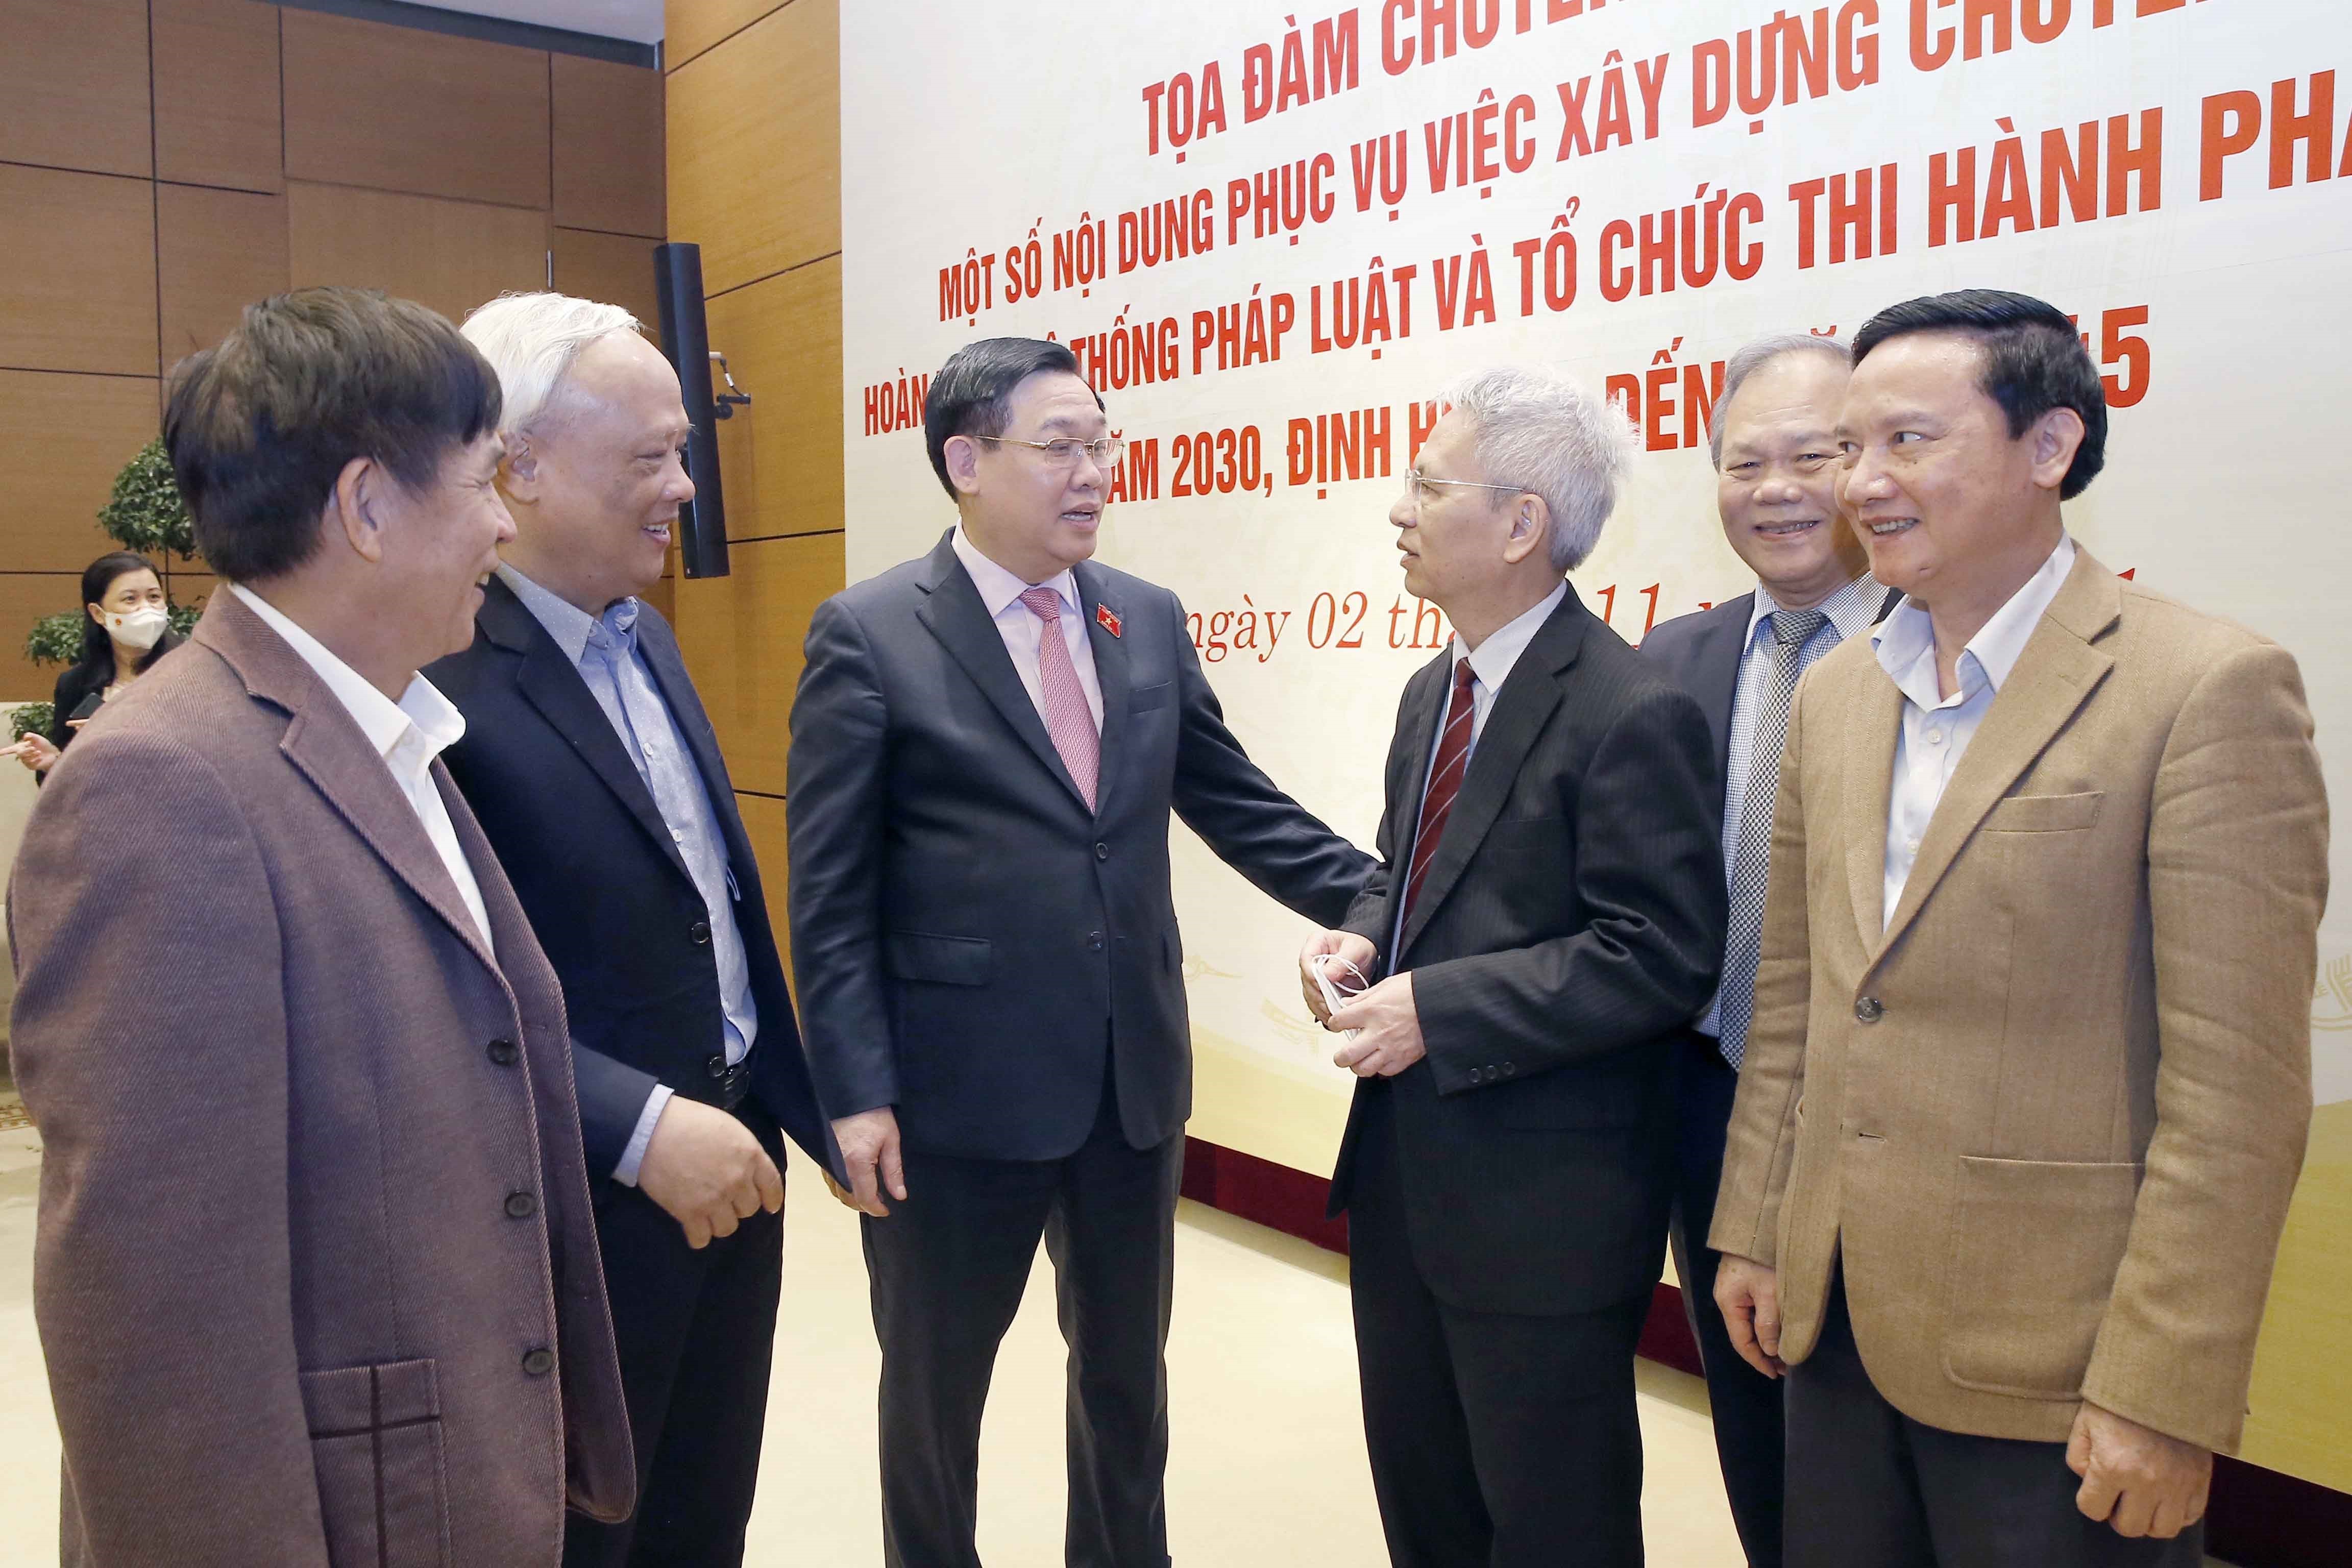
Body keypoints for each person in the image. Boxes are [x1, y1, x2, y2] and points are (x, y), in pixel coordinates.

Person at [7, 287, 634, 1565]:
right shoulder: (162, 786)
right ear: (367, 507)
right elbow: (158, 1315)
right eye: (480, 480)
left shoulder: (390, 733)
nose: (502, 522)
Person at [1710, 289, 2328, 1566]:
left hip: (2059, 1364)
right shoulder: (1837, 695)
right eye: (1852, 447)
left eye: (1908, 441)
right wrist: (1756, 1228)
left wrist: (2163, 1388)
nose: (1863, 483)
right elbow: (1799, 1003)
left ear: (2049, 446)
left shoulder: (2202, 688)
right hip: (1834, 1324)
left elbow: (2236, 1093)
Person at [787, 336, 1373, 1568]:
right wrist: (852, 1091)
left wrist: (1394, 898)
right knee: (935, 1395)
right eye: (1060, 445)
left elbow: (1238, 803)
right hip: (952, 1097)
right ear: (966, 462)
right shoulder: (871, 632)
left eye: (1103, 443)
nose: (1095, 470)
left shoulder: (1141, 617)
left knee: (1126, 1387)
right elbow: (830, 894)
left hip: (1129, 1085)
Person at [428, 291, 839, 1568]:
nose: (683, 488)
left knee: (700, 1520)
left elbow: (712, 916)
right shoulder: (434, 677)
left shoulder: (648, 635)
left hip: (735, 1180)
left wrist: (818, 1116)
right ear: (520, 465)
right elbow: (439, 992)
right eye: (650, 456)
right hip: (569, 1208)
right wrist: (643, 1126)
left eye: (684, 451)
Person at [1297, 367, 1725, 1568]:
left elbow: (1660, 953)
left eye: (1429, 486)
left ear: (1522, 523)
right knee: (1427, 1510)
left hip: (1544, 1213)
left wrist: (1436, 1006)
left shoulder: (1629, 709)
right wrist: (1363, 935)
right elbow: (1405, 869)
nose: (1399, 509)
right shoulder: (1432, 690)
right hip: (1403, 1187)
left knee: (1554, 1524)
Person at [1637, 331, 1899, 1568]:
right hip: (1708, 1101)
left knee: (1879, 1460)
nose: (1777, 490)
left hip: (1879, 1118)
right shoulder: (1671, 662)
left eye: (1814, 456)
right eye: (1746, 464)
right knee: (1755, 1433)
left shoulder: (1938, 651)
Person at [3, 551, 185, 774]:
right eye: (130, 599)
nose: (146, 608)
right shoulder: (75, 685)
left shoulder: (192, 672)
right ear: (98, 614)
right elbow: (69, 781)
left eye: (154, 597)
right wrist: (55, 762)